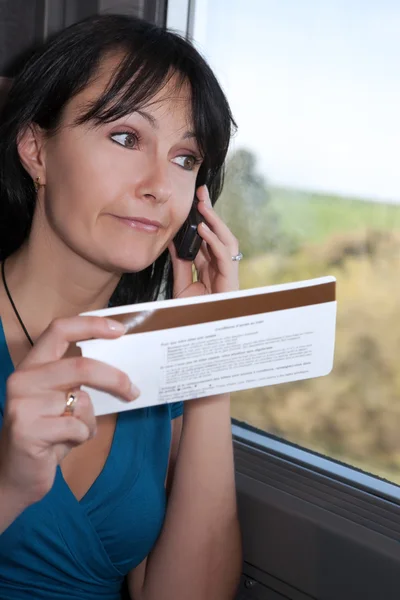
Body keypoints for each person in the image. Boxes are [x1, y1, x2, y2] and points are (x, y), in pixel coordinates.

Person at [0, 13, 242, 600]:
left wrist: (208, 351)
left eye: (186, 159)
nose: (160, 184)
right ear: (36, 150)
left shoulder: (154, 363)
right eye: (127, 138)